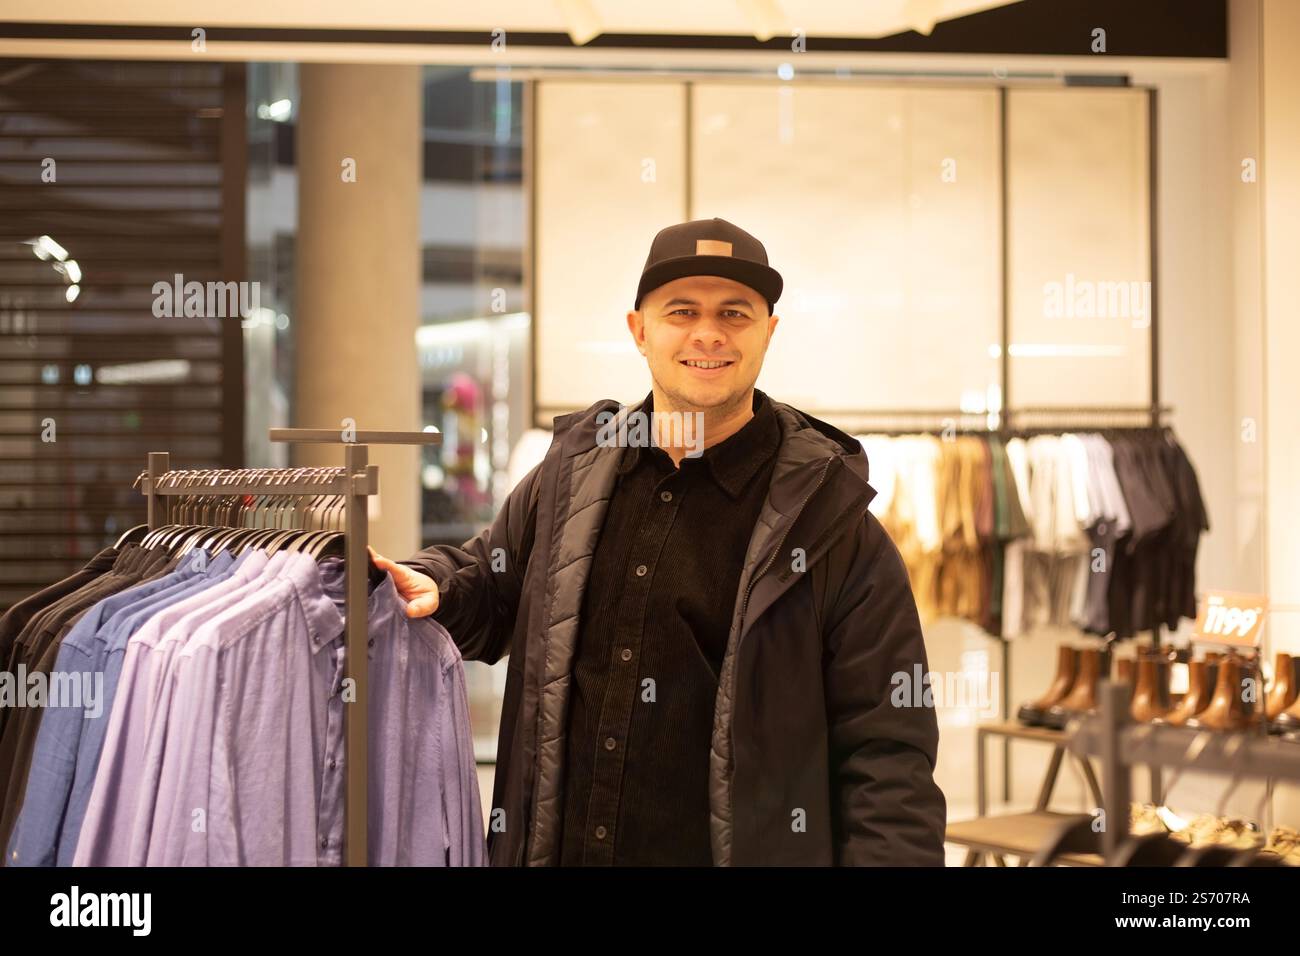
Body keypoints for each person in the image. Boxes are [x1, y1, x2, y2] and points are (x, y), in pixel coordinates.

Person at [369, 217, 947, 866]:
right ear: (639, 330)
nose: (709, 333)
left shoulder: (831, 525)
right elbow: (494, 583)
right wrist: (438, 585)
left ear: (769, 333)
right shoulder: (571, 474)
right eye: (682, 311)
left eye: (735, 313)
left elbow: (889, 759)